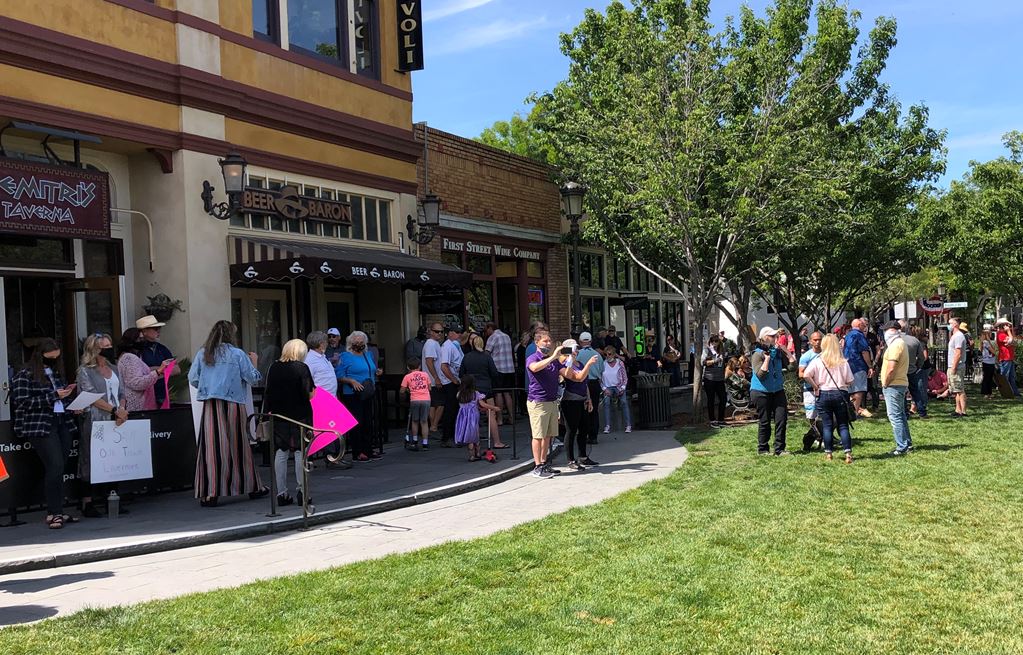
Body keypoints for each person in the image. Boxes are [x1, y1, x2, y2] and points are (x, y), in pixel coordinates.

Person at [189, 320, 268, 507]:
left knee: (211, 447)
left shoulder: (204, 353)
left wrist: (208, 387)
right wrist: (254, 362)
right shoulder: (237, 354)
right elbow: (253, 378)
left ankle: (210, 492)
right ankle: (251, 486)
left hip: (211, 404)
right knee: (238, 445)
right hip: (233, 403)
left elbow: (193, 378)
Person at [11, 339, 80, 529]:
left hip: (61, 421)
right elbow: (22, 402)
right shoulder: (25, 374)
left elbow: (60, 399)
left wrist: (72, 403)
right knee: (55, 466)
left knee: (59, 467)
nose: (53, 361)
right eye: (50, 358)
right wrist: (54, 396)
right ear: (39, 355)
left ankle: (56, 510)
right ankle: (54, 512)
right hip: (40, 425)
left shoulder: (56, 373)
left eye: (56, 358)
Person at [526, 329, 599, 478]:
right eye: (545, 341)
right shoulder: (533, 358)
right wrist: (554, 356)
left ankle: (544, 463)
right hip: (538, 401)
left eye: (549, 341)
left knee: (548, 436)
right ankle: (537, 466)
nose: (548, 343)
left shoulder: (554, 362)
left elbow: (573, 376)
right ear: (537, 342)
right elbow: (534, 368)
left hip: (552, 401)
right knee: (538, 435)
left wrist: (570, 360)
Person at [77, 333, 129, 517]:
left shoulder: (114, 368)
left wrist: (121, 409)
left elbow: (122, 392)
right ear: (95, 349)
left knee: (114, 458)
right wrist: (114, 410)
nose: (108, 349)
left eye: (109, 345)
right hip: (95, 419)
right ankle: (87, 502)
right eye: (104, 347)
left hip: (116, 419)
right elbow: (91, 396)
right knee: (90, 458)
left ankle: (112, 498)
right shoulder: (85, 371)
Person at [263, 339, 315, 507]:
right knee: (301, 452)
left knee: (281, 452)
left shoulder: (273, 367)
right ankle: (303, 492)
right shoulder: (301, 368)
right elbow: (309, 393)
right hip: (300, 415)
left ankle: (282, 493)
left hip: (279, 415)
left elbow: (268, 392)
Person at [802, 334, 854, 463]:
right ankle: (848, 453)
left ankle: (829, 453)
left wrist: (815, 386)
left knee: (827, 425)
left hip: (823, 393)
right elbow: (850, 380)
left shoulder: (818, 360)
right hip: (840, 393)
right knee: (843, 425)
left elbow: (806, 374)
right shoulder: (842, 361)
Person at [335, 330, 380, 461]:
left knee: (368, 421)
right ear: (351, 343)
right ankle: (358, 451)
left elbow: (370, 369)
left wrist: (377, 371)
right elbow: (338, 375)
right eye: (356, 341)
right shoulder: (345, 356)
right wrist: (351, 381)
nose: (359, 344)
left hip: (367, 392)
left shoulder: (368, 354)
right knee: (357, 422)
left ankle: (368, 449)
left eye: (362, 341)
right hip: (353, 393)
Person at [558, 339, 599, 470]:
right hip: (570, 400)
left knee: (584, 429)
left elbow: (584, 382)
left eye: (576, 348)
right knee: (571, 430)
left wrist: (589, 398)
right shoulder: (564, 364)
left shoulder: (579, 363)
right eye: (573, 348)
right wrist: (589, 364)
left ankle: (583, 456)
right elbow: (578, 377)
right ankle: (570, 460)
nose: (576, 351)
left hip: (582, 399)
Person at [461, 333, 507, 448]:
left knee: (473, 416)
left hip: (472, 388)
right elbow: (494, 373)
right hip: (486, 388)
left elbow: (461, 373)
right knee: (491, 414)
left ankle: (474, 444)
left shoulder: (467, 357)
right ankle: (497, 442)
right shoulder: (487, 357)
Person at [750, 327, 790, 456]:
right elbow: (761, 375)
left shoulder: (777, 352)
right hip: (761, 391)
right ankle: (763, 449)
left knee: (781, 419)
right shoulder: (757, 354)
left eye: (775, 336)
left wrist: (786, 352)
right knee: (765, 421)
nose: (775, 338)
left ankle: (779, 448)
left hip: (777, 390)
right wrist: (766, 359)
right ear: (764, 338)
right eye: (772, 336)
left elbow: (792, 367)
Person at [117, 327, 170, 412]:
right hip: (137, 407)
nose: (142, 341)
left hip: (141, 406)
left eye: (142, 338)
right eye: (139, 339)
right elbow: (136, 383)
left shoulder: (134, 356)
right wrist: (157, 372)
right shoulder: (129, 358)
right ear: (131, 341)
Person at [880, 321, 913, 455]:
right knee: (900, 415)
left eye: (885, 330)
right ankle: (907, 444)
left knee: (895, 416)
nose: (884, 333)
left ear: (892, 331)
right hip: (898, 384)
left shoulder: (895, 345)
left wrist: (886, 383)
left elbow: (891, 368)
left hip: (894, 385)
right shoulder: (899, 343)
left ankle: (901, 446)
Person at [454, 375, 501, 462]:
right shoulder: (475, 393)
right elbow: (483, 404)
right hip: (473, 416)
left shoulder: (459, 394)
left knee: (468, 436)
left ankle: (471, 456)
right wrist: (494, 407)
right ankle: (478, 453)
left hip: (463, 416)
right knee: (475, 434)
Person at [136, 315, 179, 408]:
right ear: (144, 331)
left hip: (162, 395)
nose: (158, 331)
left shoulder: (162, 348)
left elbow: (176, 369)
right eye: (155, 328)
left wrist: (156, 371)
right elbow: (138, 373)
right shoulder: (137, 350)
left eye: (159, 328)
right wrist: (161, 370)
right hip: (144, 397)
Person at [484, 321, 515, 428]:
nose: (486, 332)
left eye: (486, 330)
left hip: (498, 368)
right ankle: (511, 417)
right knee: (507, 393)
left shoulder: (492, 337)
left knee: (498, 393)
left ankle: (500, 419)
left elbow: (487, 353)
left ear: (490, 328)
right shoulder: (506, 336)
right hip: (509, 369)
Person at [439, 324, 466, 447]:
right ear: (450, 333)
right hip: (449, 382)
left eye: (460, 332)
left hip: (457, 380)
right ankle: (446, 437)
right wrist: (453, 380)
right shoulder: (447, 346)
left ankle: (455, 436)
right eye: (456, 332)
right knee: (450, 410)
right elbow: (444, 366)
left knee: (455, 410)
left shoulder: (455, 345)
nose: (459, 334)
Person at [842, 318, 874, 418]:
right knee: (859, 390)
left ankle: (849, 412)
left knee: (851, 391)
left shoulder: (848, 335)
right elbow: (864, 352)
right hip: (858, 365)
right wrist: (870, 366)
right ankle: (854, 413)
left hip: (848, 365)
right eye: (864, 325)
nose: (865, 327)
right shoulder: (859, 335)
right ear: (859, 325)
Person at [577, 332, 605, 444]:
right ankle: (593, 436)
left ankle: (584, 434)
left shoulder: (578, 354)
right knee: (594, 410)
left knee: (582, 410)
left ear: (580, 342)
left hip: (581, 383)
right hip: (594, 383)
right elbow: (602, 370)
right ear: (591, 341)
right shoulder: (597, 354)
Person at [400, 358, 431, 450]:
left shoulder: (407, 377)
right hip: (426, 399)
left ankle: (415, 441)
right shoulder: (425, 374)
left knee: (415, 421)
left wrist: (408, 390)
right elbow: (429, 388)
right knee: (424, 421)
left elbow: (402, 391)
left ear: (408, 367)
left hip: (415, 400)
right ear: (420, 366)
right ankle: (425, 443)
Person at [600, 346, 633, 434]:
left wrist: (623, 388)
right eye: (605, 354)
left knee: (624, 402)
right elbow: (600, 378)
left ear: (614, 354)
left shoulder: (620, 363)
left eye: (609, 354)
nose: (607, 356)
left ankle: (628, 425)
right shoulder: (603, 364)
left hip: (618, 386)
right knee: (606, 403)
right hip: (607, 387)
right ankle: (607, 425)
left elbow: (625, 377)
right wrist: (604, 389)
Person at [422, 322, 446, 434]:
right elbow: (429, 361)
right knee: (440, 403)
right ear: (431, 332)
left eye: (441, 331)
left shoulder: (434, 343)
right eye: (437, 331)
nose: (439, 333)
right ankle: (434, 425)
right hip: (433, 380)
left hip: (432, 380)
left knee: (433, 404)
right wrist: (436, 378)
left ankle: (433, 425)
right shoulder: (431, 344)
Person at [901, 325, 929, 418]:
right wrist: (917, 367)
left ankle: (905, 413)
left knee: (902, 392)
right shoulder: (915, 340)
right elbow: (922, 357)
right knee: (916, 392)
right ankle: (922, 412)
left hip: (900, 371)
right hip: (912, 370)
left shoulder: (896, 340)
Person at [702, 335, 727, 426]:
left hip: (720, 379)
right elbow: (703, 362)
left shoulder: (721, 351)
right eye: (712, 341)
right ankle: (712, 420)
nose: (714, 343)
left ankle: (721, 419)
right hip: (709, 378)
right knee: (711, 399)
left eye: (716, 341)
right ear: (710, 342)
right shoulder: (707, 350)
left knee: (723, 399)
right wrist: (715, 361)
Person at [798, 331, 823, 421]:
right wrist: (812, 379)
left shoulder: (826, 354)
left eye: (819, 340)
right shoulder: (806, 356)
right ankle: (814, 429)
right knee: (812, 414)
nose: (818, 342)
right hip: (810, 389)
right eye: (815, 340)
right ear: (810, 341)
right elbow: (801, 373)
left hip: (825, 388)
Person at [303, 331, 338, 396]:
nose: (327, 344)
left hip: (331, 397)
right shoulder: (309, 360)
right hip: (320, 398)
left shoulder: (322, 356)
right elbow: (307, 383)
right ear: (321, 344)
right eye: (326, 342)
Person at [947, 317, 968, 418]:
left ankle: (963, 411)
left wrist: (954, 367)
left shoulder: (959, 336)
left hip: (957, 366)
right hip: (952, 366)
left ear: (955, 324)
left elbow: (958, 353)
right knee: (955, 390)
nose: (949, 325)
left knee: (960, 389)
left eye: (950, 323)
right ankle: (957, 409)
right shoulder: (954, 336)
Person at [996, 318, 1020, 397]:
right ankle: (1005, 392)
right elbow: (1011, 341)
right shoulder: (1000, 334)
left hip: (1009, 357)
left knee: (1011, 376)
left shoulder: (1005, 334)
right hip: (1005, 358)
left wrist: (1011, 338)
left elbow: (1014, 342)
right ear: (1003, 326)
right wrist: (1009, 332)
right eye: (1007, 325)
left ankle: (1014, 392)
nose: (1008, 326)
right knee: (1005, 376)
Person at [980, 324, 998, 399]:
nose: (991, 334)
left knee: (988, 378)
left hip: (987, 362)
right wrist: (989, 340)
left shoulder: (983, 342)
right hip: (988, 362)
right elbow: (993, 351)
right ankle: (986, 393)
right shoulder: (986, 342)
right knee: (988, 378)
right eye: (989, 333)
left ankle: (988, 393)